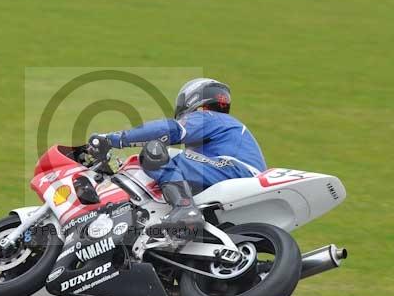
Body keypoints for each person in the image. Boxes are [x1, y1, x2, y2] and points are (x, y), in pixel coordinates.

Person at [89, 78, 267, 234]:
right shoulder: (224, 128)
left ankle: (185, 208)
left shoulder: (209, 117)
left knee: (155, 150)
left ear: (192, 100)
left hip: (233, 171)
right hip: (236, 177)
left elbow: (168, 129)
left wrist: (114, 140)